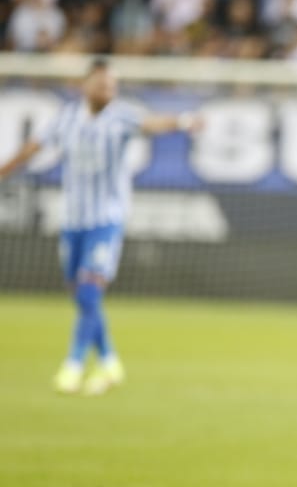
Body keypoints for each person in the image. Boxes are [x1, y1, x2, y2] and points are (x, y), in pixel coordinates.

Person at [0, 58, 202, 395]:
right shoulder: (66, 118)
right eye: (103, 84)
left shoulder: (121, 116)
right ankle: (109, 361)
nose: (109, 90)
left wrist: (183, 120)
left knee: (90, 290)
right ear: (86, 85)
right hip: (73, 219)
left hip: (106, 218)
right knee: (82, 297)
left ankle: (73, 365)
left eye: (113, 86)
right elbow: (32, 148)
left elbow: (152, 123)